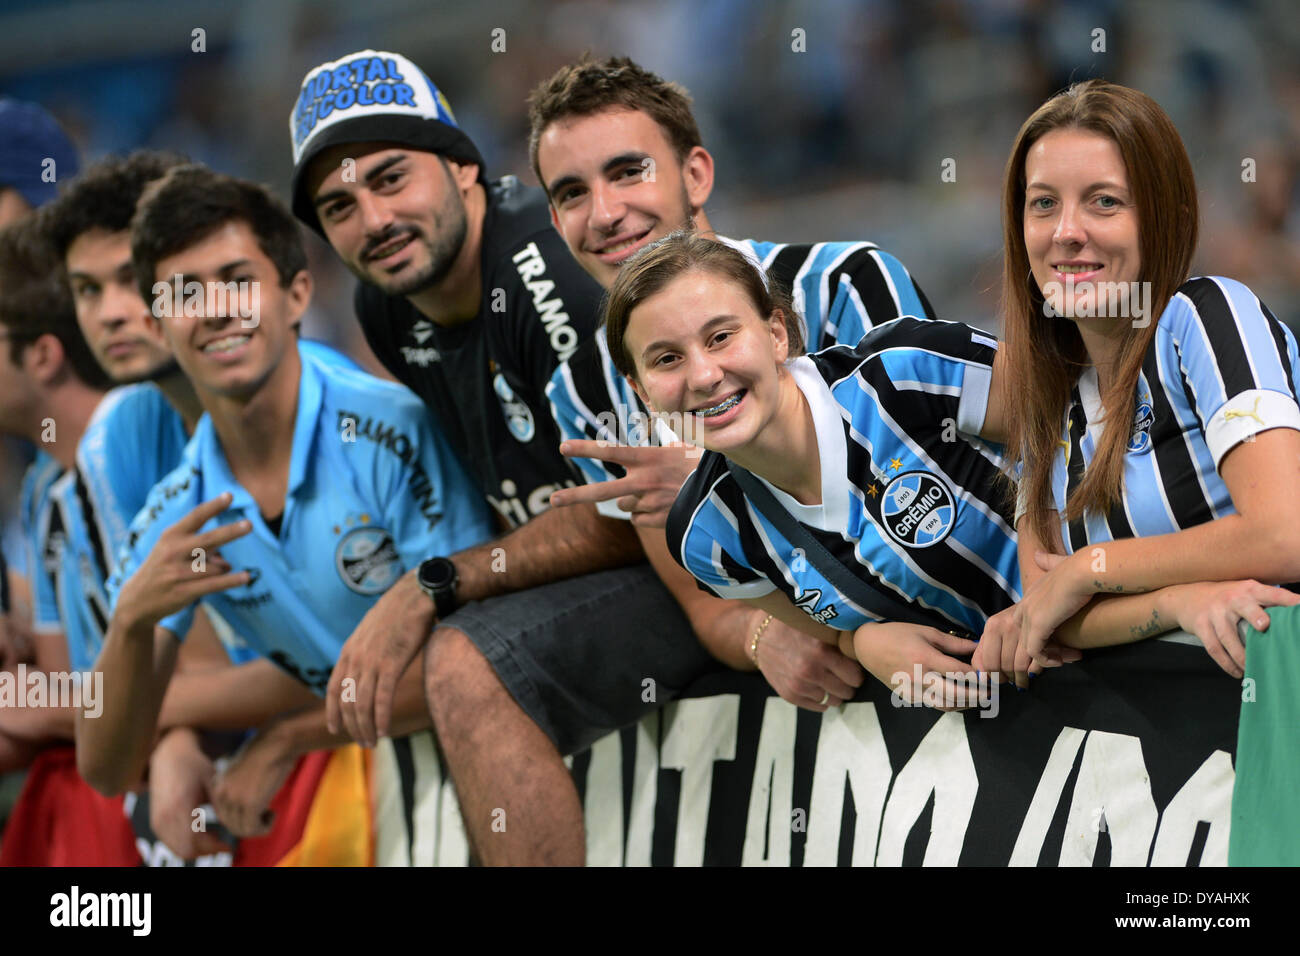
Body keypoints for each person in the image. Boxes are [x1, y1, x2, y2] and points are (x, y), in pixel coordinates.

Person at [289, 49, 720, 865]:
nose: (373, 221)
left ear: (463, 171)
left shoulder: (545, 276)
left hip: (696, 552)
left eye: (390, 179)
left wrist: (440, 582)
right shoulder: (387, 303)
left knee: (464, 662)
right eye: (338, 206)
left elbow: (632, 508)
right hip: (591, 568)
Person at [77, 167, 495, 866]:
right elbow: (107, 770)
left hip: (494, 762)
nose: (214, 309)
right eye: (184, 292)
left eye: (236, 278)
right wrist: (130, 625)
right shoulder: (177, 511)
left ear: (296, 292)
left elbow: (483, 661)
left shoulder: (392, 432)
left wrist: (288, 737)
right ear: (158, 323)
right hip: (369, 800)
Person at [533, 56, 934, 710]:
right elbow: (709, 608)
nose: (604, 213)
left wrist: (710, 482)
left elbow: (946, 502)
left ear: (696, 174)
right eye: (572, 193)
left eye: (628, 171)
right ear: (555, 222)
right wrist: (762, 635)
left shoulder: (847, 284)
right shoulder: (581, 397)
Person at [43, 151, 363, 862]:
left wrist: (159, 718)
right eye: (87, 291)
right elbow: (183, 655)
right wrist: (175, 734)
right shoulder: (125, 434)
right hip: (240, 732)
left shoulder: (330, 402)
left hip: (354, 729)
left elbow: (343, 657)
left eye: (134, 282)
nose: (115, 314)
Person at [604, 231, 1038, 700]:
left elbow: (1093, 434)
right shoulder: (708, 536)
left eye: (721, 337)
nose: (705, 376)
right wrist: (861, 642)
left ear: (775, 334)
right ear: (643, 391)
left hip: (1115, 643)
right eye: (667, 359)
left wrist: (1047, 593)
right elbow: (829, 633)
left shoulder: (909, 369)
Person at [980, 79, 1300, 679]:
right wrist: (1176, 601)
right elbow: (1047, 609)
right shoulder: (1044, 396)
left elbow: (1285, 533)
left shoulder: (1207, 317)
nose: (1066, 231)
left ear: (1165, 216)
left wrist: (1091, 568)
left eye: (1104, 201)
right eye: (1043, 203)